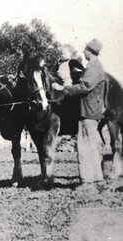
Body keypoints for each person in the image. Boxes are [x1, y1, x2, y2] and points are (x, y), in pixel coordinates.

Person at [53, 39, 106, 186]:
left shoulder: (93, 66)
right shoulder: (93, 65)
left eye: (85, 49)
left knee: (84, 148)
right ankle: (98, 179)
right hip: (90, 110)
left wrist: (62, 88)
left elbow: (84, 86)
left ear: (90, 51)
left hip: (87, 112)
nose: (83, 52)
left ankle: (87, 181)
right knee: (92, 146)